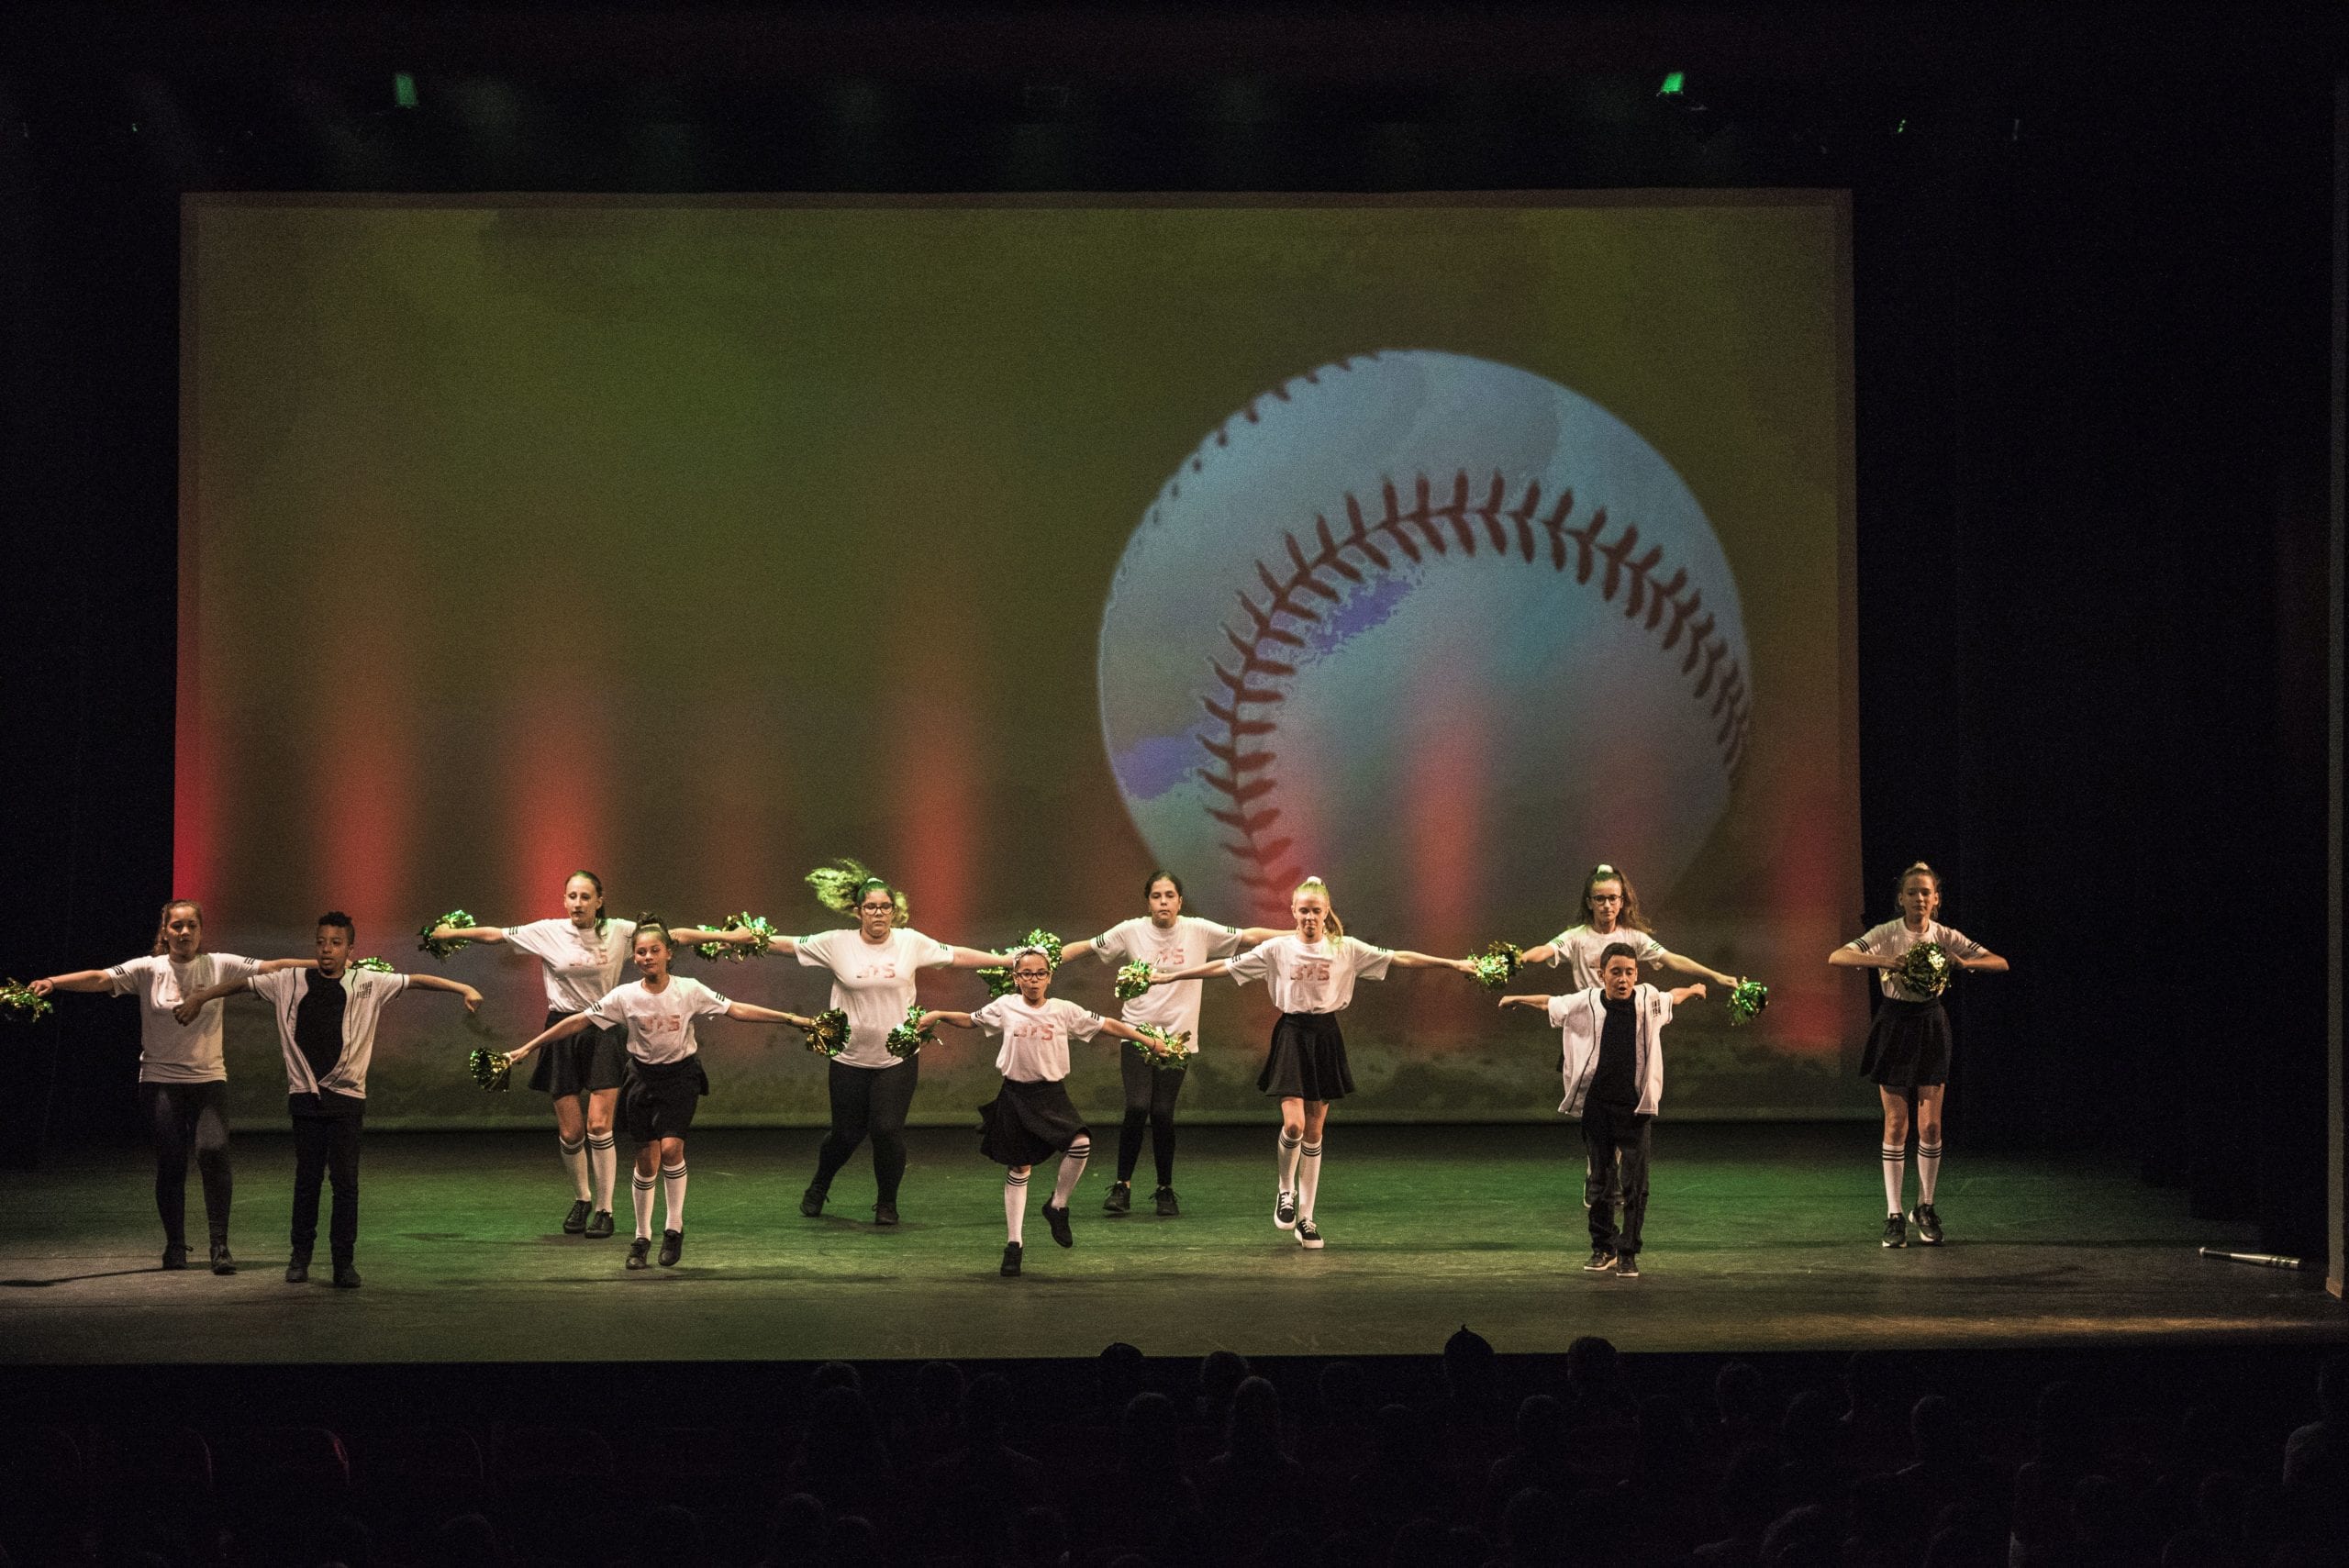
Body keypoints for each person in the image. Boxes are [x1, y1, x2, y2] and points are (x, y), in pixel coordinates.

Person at [1150, 876, 1475, 1249]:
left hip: (1325, 1036)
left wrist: (1452, 964)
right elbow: (1224, 967)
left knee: (1315, 1133)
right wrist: (1173, 975)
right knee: (1294, 1125)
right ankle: (1285, 1189)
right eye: (1302, 910)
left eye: (1315, 911)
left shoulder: (1345, 948)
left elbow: (1399, 958)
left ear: (1325, 913)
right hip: (1291, 1033)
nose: (1308, 917)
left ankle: (1307, 1218)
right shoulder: (1277, 949)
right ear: (1292, 912)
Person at [175, 910, 483, 1287]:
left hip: (346, 1099)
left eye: (336, 944)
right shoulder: (289, 981)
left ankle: (343, 1262)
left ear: (350, 949)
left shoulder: (368, 982)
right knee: (306, 1181)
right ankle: (299, 1257)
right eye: (321, 942)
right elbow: (242, 985)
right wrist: (203, 995)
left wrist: (463, 988)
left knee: (345, 1182)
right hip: (306, 1097)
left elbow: (416, 980)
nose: (326, 950)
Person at [427, 880, 736, 1240]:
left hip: (603, 1029)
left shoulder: (618, 931)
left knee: (599, 1126)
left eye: (585, 897)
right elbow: (496, 935)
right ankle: (583, 1198)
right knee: (571, 1132)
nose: (577, 903)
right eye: (571, 896)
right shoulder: (547, 931)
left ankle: (605, 1209)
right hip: (563, 1027)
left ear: (599, 901)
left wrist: (732, 939)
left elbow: (675, 936)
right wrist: (452, 932)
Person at [507, 917, 815, 1269]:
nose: (647, 957)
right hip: (641, 1079)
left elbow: (736, 1009)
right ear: (634, 958)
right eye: (640, 952)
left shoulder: (689, 989)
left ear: (669, 953)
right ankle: (641, 1238)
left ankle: (673, 1228)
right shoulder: (624, 996)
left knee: (671, 1150)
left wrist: (792, 1019)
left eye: (655, 950)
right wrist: (528, 1048)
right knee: (645, 1161)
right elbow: (577, 1021)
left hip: (681, 1077)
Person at [26, 899, 312, 1273]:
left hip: (208, 1078)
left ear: (201, 930)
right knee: (172, 1163)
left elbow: (275, 968)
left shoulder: (219, 964)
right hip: (160, 1082)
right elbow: (99, 978)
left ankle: (220, 1245)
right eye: (176, 926)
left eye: (191, 925)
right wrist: (52, 982)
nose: (184, 933)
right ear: (165, 931)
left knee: (213, 1151)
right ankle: (175, 1246)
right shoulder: (149, 969)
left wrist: (325, 966)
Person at [764, 862, 1006, 1226]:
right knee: (845, 1134)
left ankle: (886, 1203)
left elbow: (956, 955)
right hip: (849, 1057)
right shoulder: (836, 943)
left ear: (895, 910)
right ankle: (819, 1184)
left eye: (885, 907)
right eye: (871, 907)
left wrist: (1006, 960)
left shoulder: (910, 942)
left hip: (897, 1056)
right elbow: (785, 944)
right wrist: (737, 940)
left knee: (887, 1130)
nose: (879, 913)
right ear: (858, 911)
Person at [918, 947, 1174, 1276]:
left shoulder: (1063, 1010)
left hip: (1051, 1094)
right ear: (1015, 978)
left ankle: (1058, 1205)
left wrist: (1149, 1041)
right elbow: (969, 1020)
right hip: (1015, 1094)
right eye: (1026, 974)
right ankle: (1014, 1245)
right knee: (1019, 1167)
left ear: (1050, 977)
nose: (1033, 980)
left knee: (1081, 1143)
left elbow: (1108, 1024)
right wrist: (938, 1014)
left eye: (1040, 973)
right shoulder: (1006, 1006)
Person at [1060, 871, 1275, 1217]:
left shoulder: (1198, 930)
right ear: (1148, 901)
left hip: (1177, 1039)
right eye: (1157, 896)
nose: (1163, 901)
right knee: (1136, 1107)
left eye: (1169, 895)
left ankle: (1164, 1189)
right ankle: (1122, 1186)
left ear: (1179, 901)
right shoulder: (1130, 930)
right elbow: (1086, 947)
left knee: (1162, 1113)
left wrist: (1300, 933)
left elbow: (1250, 937)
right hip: (1137, 1034)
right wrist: (1042, 957)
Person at [1830, 861, 2008, 1247]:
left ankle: (1924, 1206)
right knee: (1897, 1124)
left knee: (1930, 1126)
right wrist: (1884, 960)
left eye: (1926, 892)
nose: (1919, 898)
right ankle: (1894, 1214)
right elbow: (1838, 957)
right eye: (1912, 892)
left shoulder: (1944, 934)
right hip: (1894, 1024)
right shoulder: (1887, 933)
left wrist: (1965, 962)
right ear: (1901, 899)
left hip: (1930, 1024)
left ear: (1936, 899)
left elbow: (2000, 961)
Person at [1502, 942, 1705, 1278]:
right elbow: (1552, 1003)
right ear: (1602, 975)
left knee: (1635, 1184)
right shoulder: (1587, 1002)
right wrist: (1516, 999)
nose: (1623, 979)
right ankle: (1603, 1247)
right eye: (1615, 972)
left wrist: (1695, 989)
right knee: (1600, 1181)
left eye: (1629, 972)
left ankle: (1628, 1252)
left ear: (1636, 974)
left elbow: (1675, 995)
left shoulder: (1648, 999)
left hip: (1635, 1108)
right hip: (1598, 1106)